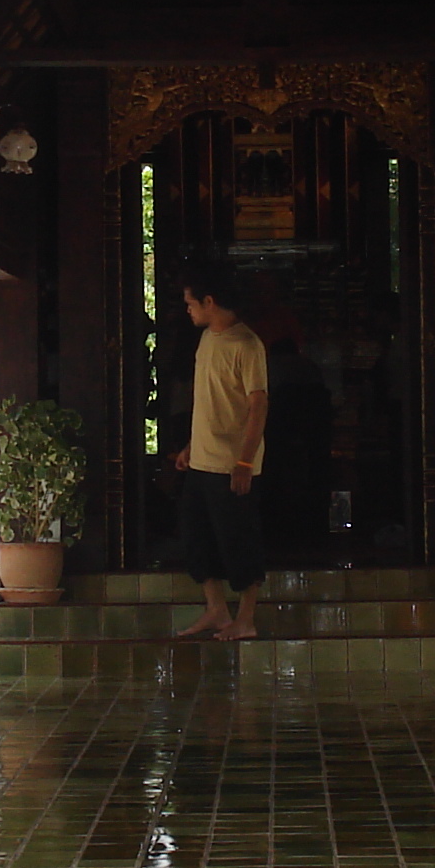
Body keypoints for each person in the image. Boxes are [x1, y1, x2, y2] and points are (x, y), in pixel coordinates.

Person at [171, 267, 270, 641]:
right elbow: (209, 402)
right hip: (202, 460)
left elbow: (257, 406)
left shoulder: (247, 344)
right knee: (196, 536)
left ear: (210, 302)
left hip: (232, 464)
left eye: (191, 303)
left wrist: (244, 461)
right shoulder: (207, 340)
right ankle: (216, 609)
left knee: (239, 538)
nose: (188, 310)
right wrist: (191, 446)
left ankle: (246, 618)